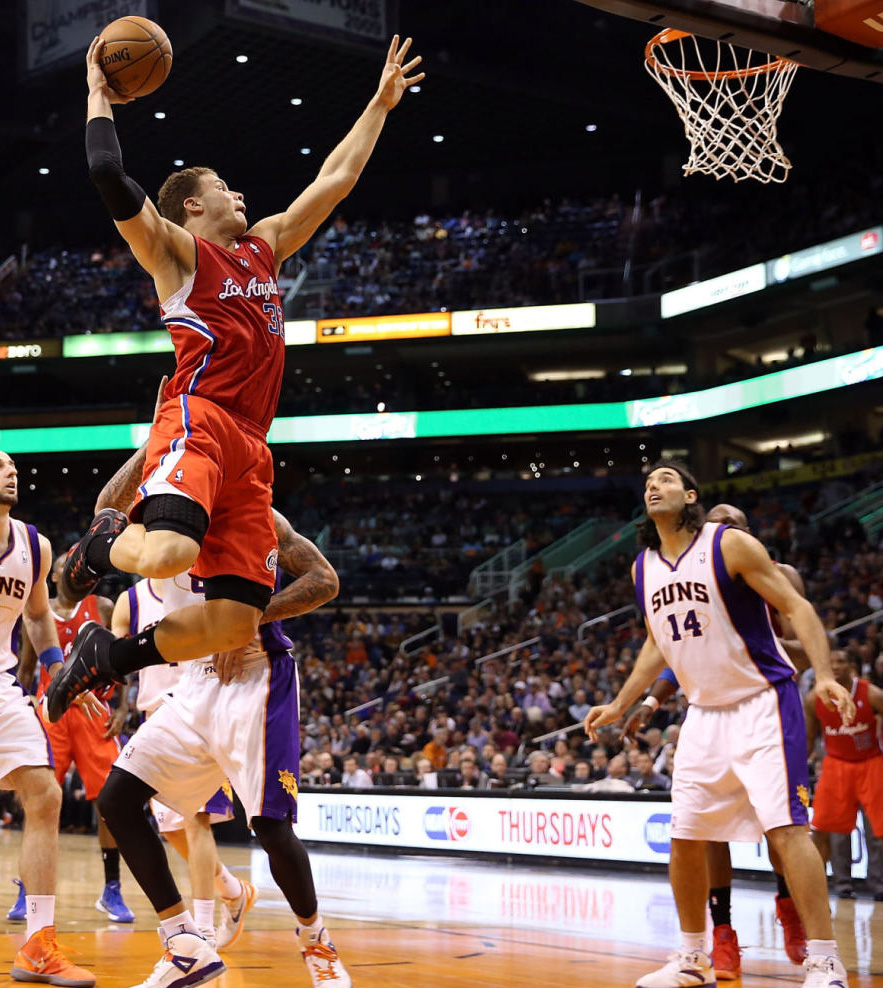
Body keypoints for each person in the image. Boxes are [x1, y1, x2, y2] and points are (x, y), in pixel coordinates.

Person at [46, 32, 424, 722]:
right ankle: (98, 545)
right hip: (201, 416)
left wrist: (378, 105)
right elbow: (108, 176)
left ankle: (105, 656)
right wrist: (99, 94)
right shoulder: (177, 255)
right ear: (191, 204)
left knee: (232, 622)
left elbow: (333, 182)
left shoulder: (266, 246)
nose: (238, 191)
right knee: (165, 554)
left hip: (251, 443)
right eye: (222, 185)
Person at [83, 439, 344, 987]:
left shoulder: (257, 513)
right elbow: (104, 512)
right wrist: (154, 440)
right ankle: (186, 945)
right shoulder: (162, 513)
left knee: (271, 828)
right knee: (118, 800)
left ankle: (317, 945)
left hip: (256, 671)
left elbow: (324, 581)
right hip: (193, 681)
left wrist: (246, 616)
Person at [585, 460, 855, 988]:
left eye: (664, 479)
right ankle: (692, 957)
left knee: (788, 830)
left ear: (690, 495)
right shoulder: (643, 568)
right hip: (704, 712)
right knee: (686, 834)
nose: (652, 487)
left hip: (762, 701)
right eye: (647, 483)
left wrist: (823, 674)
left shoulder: (728, 544)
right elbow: (655, 641)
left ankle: (825, 960)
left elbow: (797, 607)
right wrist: (620, 703)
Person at [622, 501, 810, 979]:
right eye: (716, 524)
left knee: (779, 825)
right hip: (710, 709)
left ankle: (790, 908)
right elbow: (670, 647)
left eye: (733, 525)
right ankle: (721, 935)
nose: (723, 531)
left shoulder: (776, 571)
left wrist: (743, 639)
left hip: (764, 702)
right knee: (703, 830)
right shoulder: (683, 569)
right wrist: (648, 703)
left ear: (747, 534)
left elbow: (801, 649)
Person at [111, 576, 252, 950]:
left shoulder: (205, 581)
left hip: (203, 710)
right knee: (171, 828)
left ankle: (202, 929)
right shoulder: (130, 600)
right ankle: (233, 890)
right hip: (155, 720)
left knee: (197, 821)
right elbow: (117, 662)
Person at [0, 451, 97, 985]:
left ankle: (37, 946)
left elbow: (38, 616)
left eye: (12, 465)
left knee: (46, 795)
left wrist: (61, 672)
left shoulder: (34, 546)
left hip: (1, 684)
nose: (11, 470)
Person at [8, 553, 134, 925]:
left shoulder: (104, 606)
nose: (74, 569)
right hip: (53, 713)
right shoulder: (39, 610)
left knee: (109, 801)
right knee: (37, 797)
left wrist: (124, 709)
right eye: (65, 565)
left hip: (95, 713)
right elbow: (28, 669)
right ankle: (27, 888)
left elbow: (121, 661)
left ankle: (112, 889)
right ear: (54, 574)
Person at [805, 650, 883, 899]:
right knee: (836, 830)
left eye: (841, 661)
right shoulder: (813, 699)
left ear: (852, 665)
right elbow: (809, 738)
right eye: (831, 662)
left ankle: (879, 886)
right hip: (836, 765)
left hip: (871, 763)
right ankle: (843, 886)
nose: (836, 666)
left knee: (878, 831)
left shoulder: (872, 694)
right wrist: (810, 759)